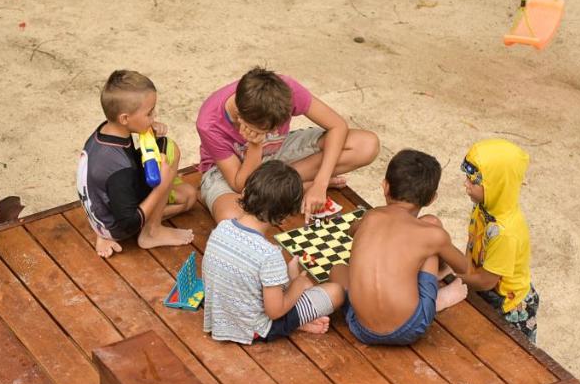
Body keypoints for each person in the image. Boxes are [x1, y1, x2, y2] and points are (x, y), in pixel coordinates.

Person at [195, 67, 379, 223]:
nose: (271, 134)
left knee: (366, 145)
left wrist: (320, 184)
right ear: (240, 117)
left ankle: (287, 189)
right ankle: (294, 189)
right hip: (229, 173)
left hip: (278, 153)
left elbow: (337, 126)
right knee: (233, 219)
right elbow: (239, 185)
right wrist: (255, 144)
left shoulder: (283, 90)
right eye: (264, 131)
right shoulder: (209, 122)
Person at [331, 149, 470, 346]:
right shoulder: (430, 235)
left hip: (360, 328)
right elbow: (464, 268)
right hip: (412, 327)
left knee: (337, 269)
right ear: (432, 199)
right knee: (431, 232)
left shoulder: (371, 216)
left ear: (385, 187)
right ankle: (437, 299)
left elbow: (352, 232)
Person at [203, 161, 344, 344]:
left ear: (245, 193)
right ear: (283, 218)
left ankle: (296, 318)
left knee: (281, 279)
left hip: (219, 317)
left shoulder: (222, 227)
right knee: (335, 292)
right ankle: (292, 323)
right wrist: (298, 285)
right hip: (254, 329)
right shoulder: (269, 255)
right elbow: (275, 311)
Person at [77, 70, 198, 258]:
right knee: (187, 195)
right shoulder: (119, 169)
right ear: (125, 118)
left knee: (184, 186)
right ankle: (151, 233)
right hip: (119, 225)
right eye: (149, 113)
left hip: (102, 210)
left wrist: (147, 130)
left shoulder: (106, 131)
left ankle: (109, 230)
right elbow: (129, 222)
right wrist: (162, 186)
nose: (153, 116)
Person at [458, 138, 540, 343]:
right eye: (467, 177)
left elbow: (486, 281)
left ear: (496, 185)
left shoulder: (504, 233)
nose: (466, 184)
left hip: (510, 308)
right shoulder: (483, 207)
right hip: (484, 290)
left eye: (473, 181)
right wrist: (464, 271)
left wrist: (456, 278)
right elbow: (471, 244)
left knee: (517, 362)